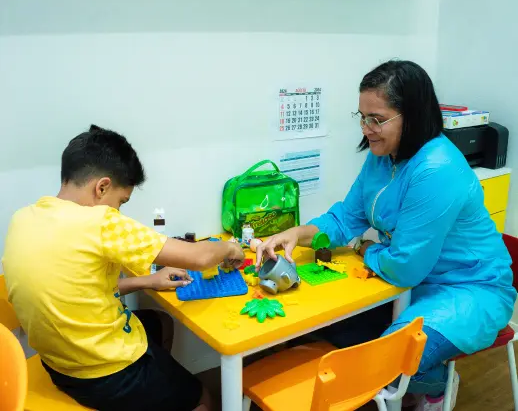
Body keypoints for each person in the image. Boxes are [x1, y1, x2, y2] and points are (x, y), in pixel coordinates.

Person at [255, 60, 516, 411]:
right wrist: (298, 233)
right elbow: (347, 217)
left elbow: (405, 266)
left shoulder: (438, 169)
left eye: (376, 119)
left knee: (384, 364)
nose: (366, 129)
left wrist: (366, 250)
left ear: (413, 115)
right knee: (332, 332)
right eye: (362, 117)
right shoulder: (383, 156)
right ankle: (415, 384)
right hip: (408, 281)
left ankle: (437, 380)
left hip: (468, 290)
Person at [2, 125, 245, 411]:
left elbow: (76, 289)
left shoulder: (23, 218)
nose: (118, 210)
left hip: (58, 364)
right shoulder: (101, 221)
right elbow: (199, 258)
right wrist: (230, 248)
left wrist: (148, 281)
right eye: (121, 201)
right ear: (102, 187)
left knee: (159, 322)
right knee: (203, 398)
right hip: (107, 373)